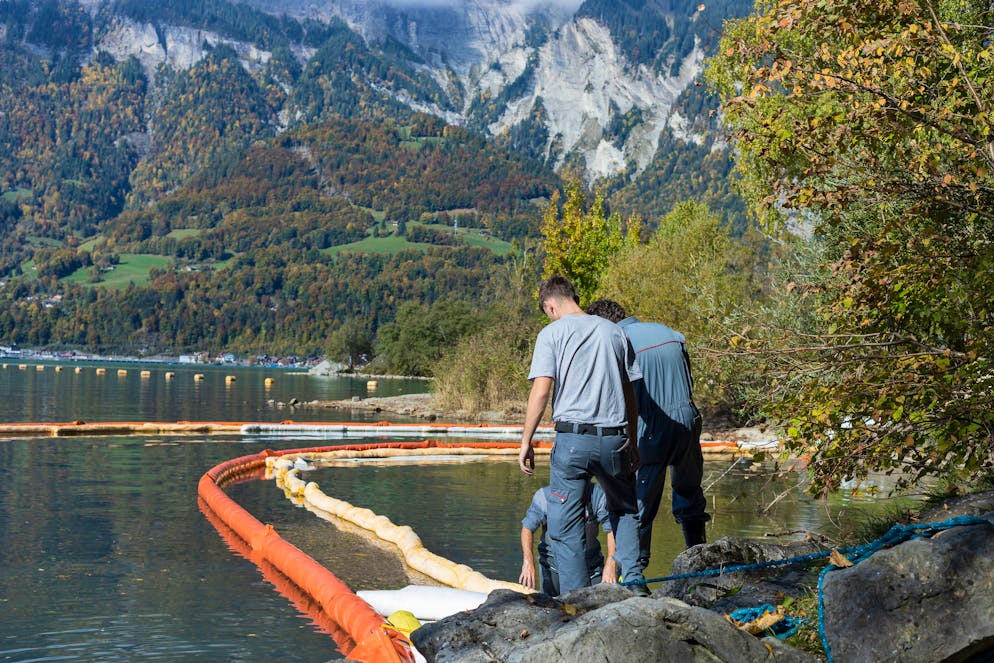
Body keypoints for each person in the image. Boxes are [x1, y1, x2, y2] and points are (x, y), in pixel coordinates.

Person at [518, 275, 649, 596]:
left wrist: (526, 441)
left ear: (550, 305)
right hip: (615, 439)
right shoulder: (615, 332)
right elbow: (630, 395)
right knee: (624, 509)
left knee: (566, 525)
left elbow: (541, 391)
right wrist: (632, 440)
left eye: (547, 312)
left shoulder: (551, 334)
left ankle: (576, 602)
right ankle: (635, 586)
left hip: (572, 440)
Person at [585, 299, 710, 572]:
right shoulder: (669, 333)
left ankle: (634, 578)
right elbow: (688, 380)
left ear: (603, 323)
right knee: (689, 493)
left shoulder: (616, 340)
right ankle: (700, 566)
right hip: (688, 421)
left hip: (649, 429)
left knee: (638, 505)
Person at [519, 481, 616, 596]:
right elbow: (527, 529)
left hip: (591, 565)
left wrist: (611, 562)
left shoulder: (597, 494)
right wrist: (528, 561)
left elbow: (612, 529)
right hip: (552, 564)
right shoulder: (544, 496)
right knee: (551, 604)